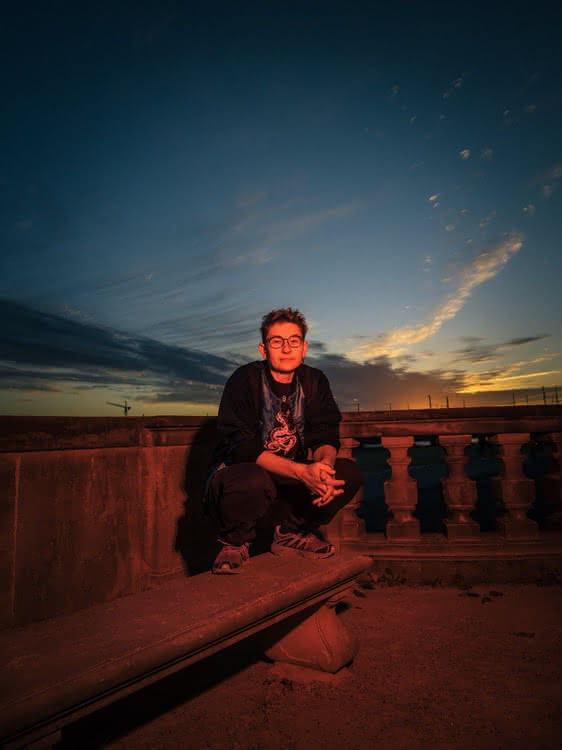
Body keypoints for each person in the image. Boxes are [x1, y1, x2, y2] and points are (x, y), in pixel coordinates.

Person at [205, 307, 363, 574]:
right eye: (277, 341)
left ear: (304, 348)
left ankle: (292, 533)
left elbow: (325, 433)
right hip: (239, 480)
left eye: (294, 341)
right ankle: (235, 541)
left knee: (347, 473)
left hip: (289, 481)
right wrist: (303, 472)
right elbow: (242, 447)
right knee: (251, 477)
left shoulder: (314, 381)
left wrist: (322, 469)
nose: (286, 348)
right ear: (263, 349)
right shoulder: (245, 380)